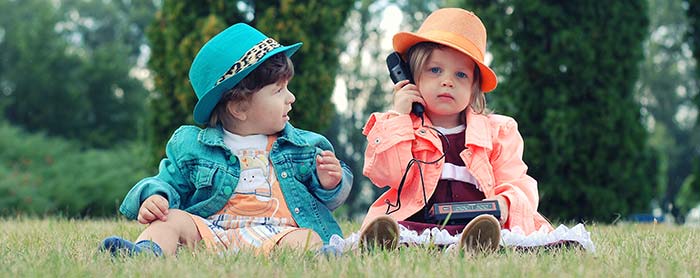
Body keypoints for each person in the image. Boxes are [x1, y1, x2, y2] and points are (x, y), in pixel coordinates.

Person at [100, 23, 353, 257]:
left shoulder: (302, 147)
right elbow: (167, 181)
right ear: (239, 107)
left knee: (306, 238)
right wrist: (156, 197)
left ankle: (321, 258)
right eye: (278, 91)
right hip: (211, 232)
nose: (291, 98)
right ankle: (147, 252)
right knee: (170, 220)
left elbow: (329, 200)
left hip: (277, 235)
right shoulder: (193, 146)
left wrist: (330, 183)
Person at [359, 8, 553, 252]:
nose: (447, 81)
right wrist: (400, 118)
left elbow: (517, 181)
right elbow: (386, 174)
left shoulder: (497, 132)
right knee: (402, 233)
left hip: (477, 224)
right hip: (418, 222)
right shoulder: (399, 125)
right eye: (435, 70)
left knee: (494, 234)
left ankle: (474, 246)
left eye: (460, 74)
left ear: (474, 88)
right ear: (410, 78)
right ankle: (387, 243)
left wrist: (504, 202)